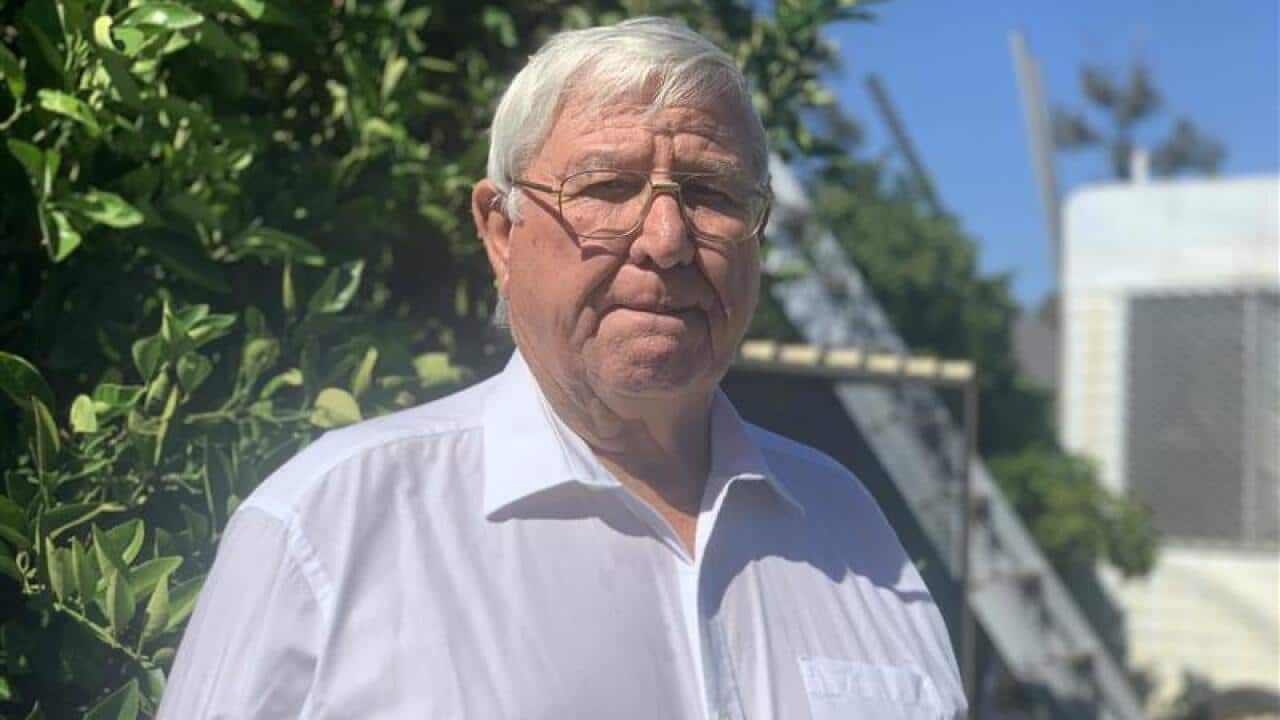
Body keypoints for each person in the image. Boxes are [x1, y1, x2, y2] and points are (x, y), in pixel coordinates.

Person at [159, 17, 966, 719]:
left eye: (711, 193)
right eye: (607, 187)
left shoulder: (849, 527)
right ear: (500, 233)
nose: (666, 239)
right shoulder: (330, 529)